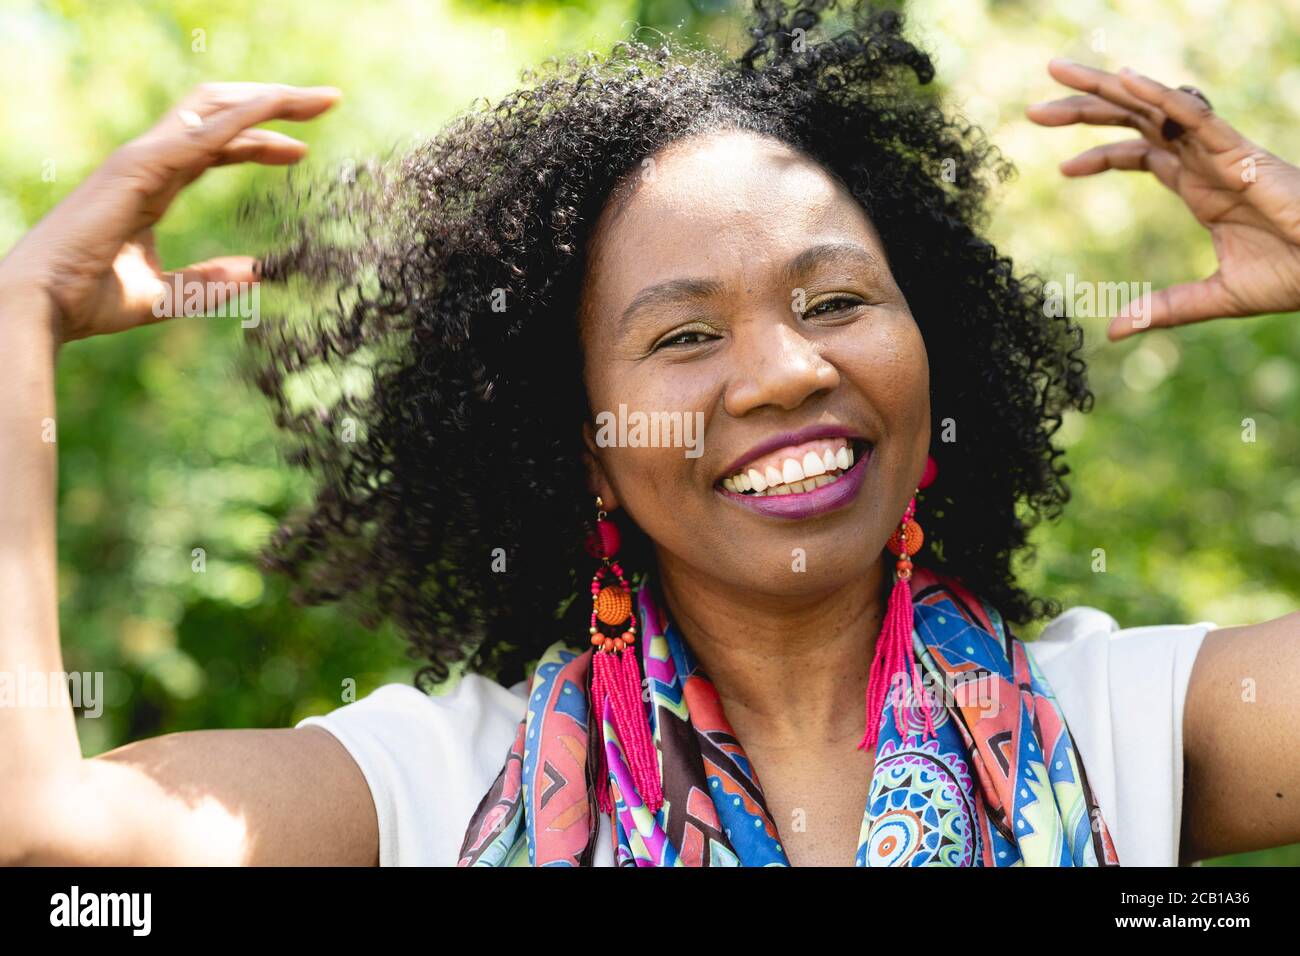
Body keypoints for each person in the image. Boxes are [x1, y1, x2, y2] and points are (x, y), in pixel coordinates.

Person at [1, 2, 1297, 867]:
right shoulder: (436, 784)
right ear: (578, 442)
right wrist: (17, 327)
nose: (788, 370)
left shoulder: (1124, 720)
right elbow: (47, 824)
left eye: (837, 300)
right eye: (684, 336)